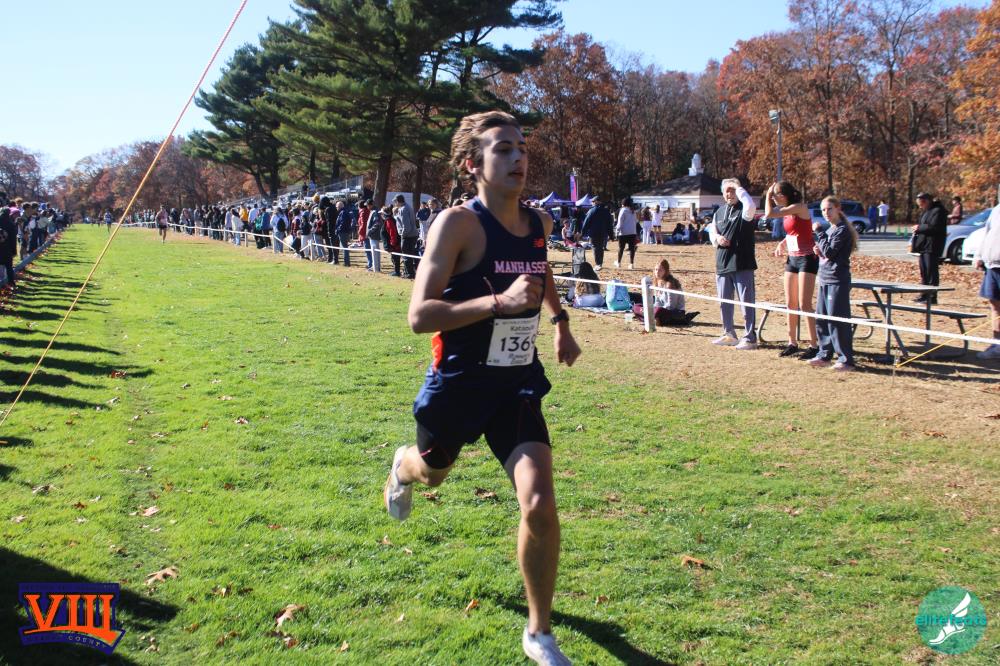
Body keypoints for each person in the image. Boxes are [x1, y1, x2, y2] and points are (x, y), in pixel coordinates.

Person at [382, 110, 580, 666]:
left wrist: (561, 322)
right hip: (459, 382)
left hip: (515, 382)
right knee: (433, 473)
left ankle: (539, 633)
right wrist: (498, 302)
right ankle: (402, 466)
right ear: (473, 164)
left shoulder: (538, 223)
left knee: (539, 503)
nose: (518, 158)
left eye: (522, 148)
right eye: (503, 149)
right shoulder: (457, 225)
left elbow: (539, 274)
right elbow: (419, 315)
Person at [764, 181, 820, 360]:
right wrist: (782, 243)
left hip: (807, 259)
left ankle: (814, 345)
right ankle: (792, 343)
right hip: (792, 258)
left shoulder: (799, 207)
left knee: (805, 304)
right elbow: (794, 232)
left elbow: (769, 214)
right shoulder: (787, 212)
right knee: (791, 303)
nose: (774, 198)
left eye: (775, 195)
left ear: (784, 195)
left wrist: (767, 196)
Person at [809, 196, 858, 371]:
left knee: (837, 320)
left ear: (838, 209)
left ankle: (845, 359)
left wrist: (819, 232)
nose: (826, 213)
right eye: (823, 210)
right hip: (824, 278)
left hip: (837, 279)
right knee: (822, 318)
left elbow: (830, 252)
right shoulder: (830, 229)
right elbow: (826, 253)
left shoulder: (842, 230)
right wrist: (819, 251)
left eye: (829, 209)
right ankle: (824, 354)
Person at [709, 178, 758, 349]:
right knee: (724, 302)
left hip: (742, 262)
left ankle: (750, 337)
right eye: (727, 191)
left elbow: (751, 206)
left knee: (746, 301)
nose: (729, 194)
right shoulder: (719, 212)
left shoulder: (744, 208)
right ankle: (729, 333)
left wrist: (739, 188)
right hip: (722, 263)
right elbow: (712, 232)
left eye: (732, 190)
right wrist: (717, 238)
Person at [634, 258, 699, 325]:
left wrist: (654, 311)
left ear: (666, 271)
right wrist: (651, 309)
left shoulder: (670, 284)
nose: (657, 272)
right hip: (661, 311)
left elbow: (671, 306)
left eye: (660, 270)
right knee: (636, 306)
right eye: (656, 269)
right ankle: (654, 318)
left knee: (658, 311)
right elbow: (657, 302)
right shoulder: (657, 283)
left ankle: (649, 317)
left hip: (675, 312)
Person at [973, 203, 1000, 360]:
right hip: (992, 265)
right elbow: (987, 233)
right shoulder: (997, 210)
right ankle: (997, 345)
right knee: (995, 305)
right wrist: (979, 256)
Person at [911, 192, 948, 303]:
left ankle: (932, 297)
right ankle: (924, 294)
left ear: (927, 201)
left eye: (921, 204)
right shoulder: (927, 211)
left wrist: (919, 228)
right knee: (924, 272)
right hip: (924, 245)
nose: (920, 207)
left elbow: (935, 227)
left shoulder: (938, 211)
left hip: (933, 245)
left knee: (931, 271)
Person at [580, 197, 613, 270]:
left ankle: (598, 264)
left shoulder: (592, 210)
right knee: (600, 248)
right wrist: (611, 235)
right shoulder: (606, 211)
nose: (592, 203)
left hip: (593, 233)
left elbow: (586, 222)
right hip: (603, 233)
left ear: (596, 202)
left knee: (595, 247)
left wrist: (582, 233)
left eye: (592, 202)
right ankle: (600, 263)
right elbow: (609, 224)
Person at [394, 194, 419, 278]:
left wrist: (402, 235)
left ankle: (409, 274)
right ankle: (409, 272)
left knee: (406, 255)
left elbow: (406, 226)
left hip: (407, 236)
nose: (395, 204)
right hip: (412, 234)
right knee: (410, 254)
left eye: (395, 202)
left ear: (398, 201)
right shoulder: (408, 207)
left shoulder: (403, 209)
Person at [614, 200, 638, 269]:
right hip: (632, 232)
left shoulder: (623, 210)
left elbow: (620, 222)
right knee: (632, 249)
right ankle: (631, 264)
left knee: (621, 248)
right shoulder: (633, 211)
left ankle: (618, 263)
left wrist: (617, 231)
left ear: (623, 204)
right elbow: (636, 221)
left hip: (623, 233)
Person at [366, 201, 383, 273]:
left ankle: (376, 268)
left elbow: (377, 223)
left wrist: (369, 231)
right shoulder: (373, 211)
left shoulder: (375, 212)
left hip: (374, 235)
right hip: (373, 235)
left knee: (375, 252)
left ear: (371, 205)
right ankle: (375, 266)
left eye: (368, 205)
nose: (367, 207)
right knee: (375, 252)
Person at [335, 200, 352, 267]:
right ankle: (346, 262)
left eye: (337, 207)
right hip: (344, 231)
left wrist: (338, 230)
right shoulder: (344, 212)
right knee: (344, 247)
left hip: (343, 232)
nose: (336, 208)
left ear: (339, 207)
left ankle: (346, 262)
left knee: (344, 247)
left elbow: (342, 223)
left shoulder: (343, 213)